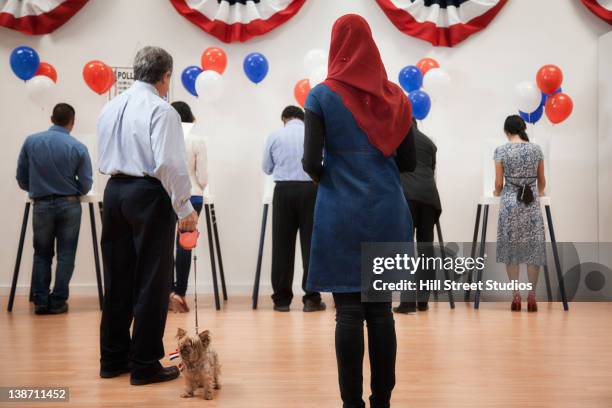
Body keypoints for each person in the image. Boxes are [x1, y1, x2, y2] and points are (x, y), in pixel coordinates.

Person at [302, 15, 416, 408]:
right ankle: (382, 400)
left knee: (348, 312)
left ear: (337, 45)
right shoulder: (398, 98)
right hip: (386, 207)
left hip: (340, 210)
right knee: (381, 311)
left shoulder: (320, 96)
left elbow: (309, 163)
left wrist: (339, 173)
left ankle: (352, 403)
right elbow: (409, 161)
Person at [97, 46, 198, 385]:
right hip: (148, 195)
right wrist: (185, 208)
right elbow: (169, 163)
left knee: (118, 279)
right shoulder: (162, 109)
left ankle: (112, 359)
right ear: (165, 75)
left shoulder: (110, 106)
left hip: (114, 193)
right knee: (153, 283)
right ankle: (144, 364)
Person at [16, 103, 93, 315]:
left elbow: (21, 177)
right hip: (69, 205)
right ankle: (58, 301)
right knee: (66, 255)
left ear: (51, 118)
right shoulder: (78, 147)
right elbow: (86, 183)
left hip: (40, 204)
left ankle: (40, 300)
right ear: (72, 122)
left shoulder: (31, 142)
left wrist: (37, 188)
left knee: (41, 253)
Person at [262, 105, 325, 313]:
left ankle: (281, 300)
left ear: (284, 119)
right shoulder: (313, 134)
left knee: (282, 246)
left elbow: (266, 168)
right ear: (303, 119)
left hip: (283, 191)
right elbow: (322, 161)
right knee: (312, 246)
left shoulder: (275, 135)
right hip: (311, 190)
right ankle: (312, 299)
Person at [493, 115, 546, 313]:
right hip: (531, 203)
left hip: (510, 204)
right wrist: (540, 191)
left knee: (511, 249)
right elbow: (542, 180)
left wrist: (497, 193)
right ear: (523, 128)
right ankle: (532, 296)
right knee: (533, 249)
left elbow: (499, 184)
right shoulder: (536, 149)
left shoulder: (500, 150)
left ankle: (516, 296)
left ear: (506, 130)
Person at [394, 118, 442, 314]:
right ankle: (423, 301)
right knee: (426, 248)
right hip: (429, 198)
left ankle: (407, 302)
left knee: (405, 246)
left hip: (406, 196)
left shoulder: (396, 138)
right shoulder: (430, 143)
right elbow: (431, 170)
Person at [168, 101, 208, 313]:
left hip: (166, 196)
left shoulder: (164, 140)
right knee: (184, 244)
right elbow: (203, 177)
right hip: (193, 196)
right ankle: (180, 293)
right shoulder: (197, 141)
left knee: (163, 246)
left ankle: (166, 292)